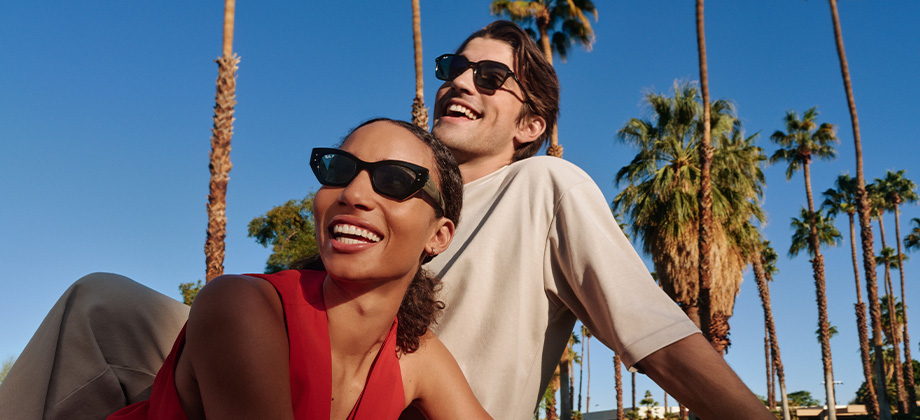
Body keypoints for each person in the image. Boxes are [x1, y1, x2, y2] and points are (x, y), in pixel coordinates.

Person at [0, 20, 772, 420]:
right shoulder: (380, 213)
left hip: (412, 405)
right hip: (304, 387)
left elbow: (657, 338)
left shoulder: (544, 186)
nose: (460, 82)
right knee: (102, 306)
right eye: (453, 69)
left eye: (491, 77)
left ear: (531, 122)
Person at [107, 118, 490, 419]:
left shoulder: (414, 355)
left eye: (394, 180)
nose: (353, 194)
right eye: (339, 171)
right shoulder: (242, 307)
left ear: (438, 235)